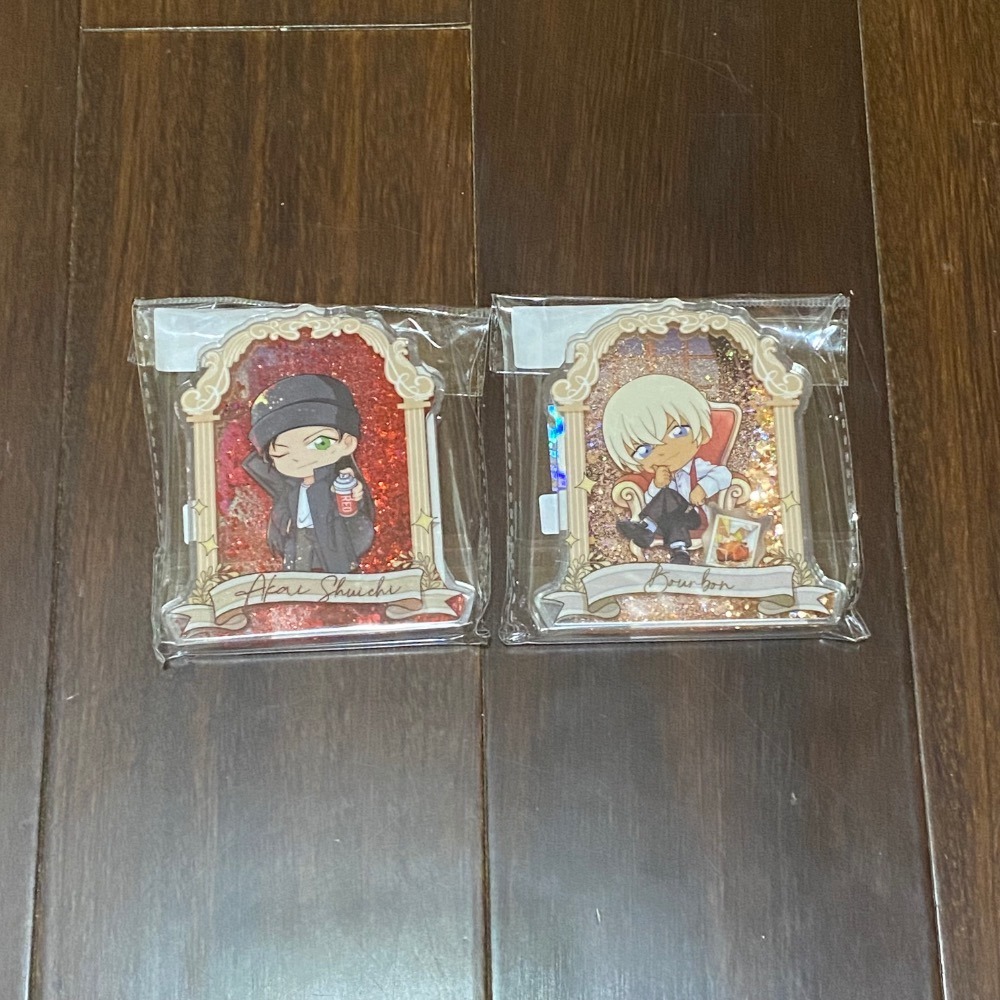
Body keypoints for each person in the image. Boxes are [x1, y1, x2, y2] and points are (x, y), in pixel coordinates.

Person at [242, 374, 375, 574]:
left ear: (347, 443)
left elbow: (355, 522)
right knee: (298, 573)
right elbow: (281, 512)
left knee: (332, 573)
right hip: (299, 542)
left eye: (320, 443)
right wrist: (285, 525)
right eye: (282, 453)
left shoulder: (338, 484)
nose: (299, 458)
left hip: (331, 542)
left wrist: (353, 502)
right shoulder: (289, 490)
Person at [603, 373, 732, 563]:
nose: (663, 451)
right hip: (669, 522)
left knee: (668, 497)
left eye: (678, 432)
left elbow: (724, 474)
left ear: (702, 432)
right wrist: (657, 485)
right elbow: (650, 502)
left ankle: (646, 528)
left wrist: (704, 488)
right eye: (645, 450)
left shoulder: (697, 467)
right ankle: (679, 551)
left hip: (695, 516)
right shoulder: (661, 475)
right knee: (668, 503)